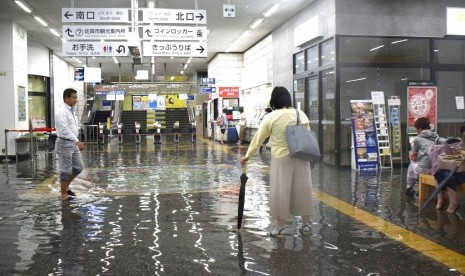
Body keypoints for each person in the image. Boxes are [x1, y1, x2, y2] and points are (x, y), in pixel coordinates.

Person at [240, 86, 312, 236]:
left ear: (274, 100)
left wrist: (248, 155)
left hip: (281, 158)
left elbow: (258, 139)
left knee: (280, 191)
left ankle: (281, 227)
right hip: (301, 156)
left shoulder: (272, 117)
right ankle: (306, 225)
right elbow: (308, 135)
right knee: (303, 189)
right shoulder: (301, 114)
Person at [55, 88, 84, 201]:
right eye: (74, 97)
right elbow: (63, 129)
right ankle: (63, 194)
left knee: (78, 167)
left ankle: (66, 187)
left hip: (72, 142)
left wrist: (76, 140)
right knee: (65, 170)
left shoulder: (71, 110)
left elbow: (72, 127)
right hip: (64, 143)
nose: (76, 100)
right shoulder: (62, 111)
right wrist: (77, 141)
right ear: (67, 98)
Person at [435, 122, 465, 213]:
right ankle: (441, 199)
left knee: (449, 176)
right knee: (438, 173)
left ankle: (453, 202)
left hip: (462, 170)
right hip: (461, 168)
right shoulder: (463, 142)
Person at [406, 117, 439, 197]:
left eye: (416, 129)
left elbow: (413, 156)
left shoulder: (417, 139)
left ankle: (409, 187)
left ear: (420, 128)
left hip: (424, 169)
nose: (416, 131)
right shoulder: (436, 136)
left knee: (411, 163)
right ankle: (415, 189)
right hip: (436, 168)